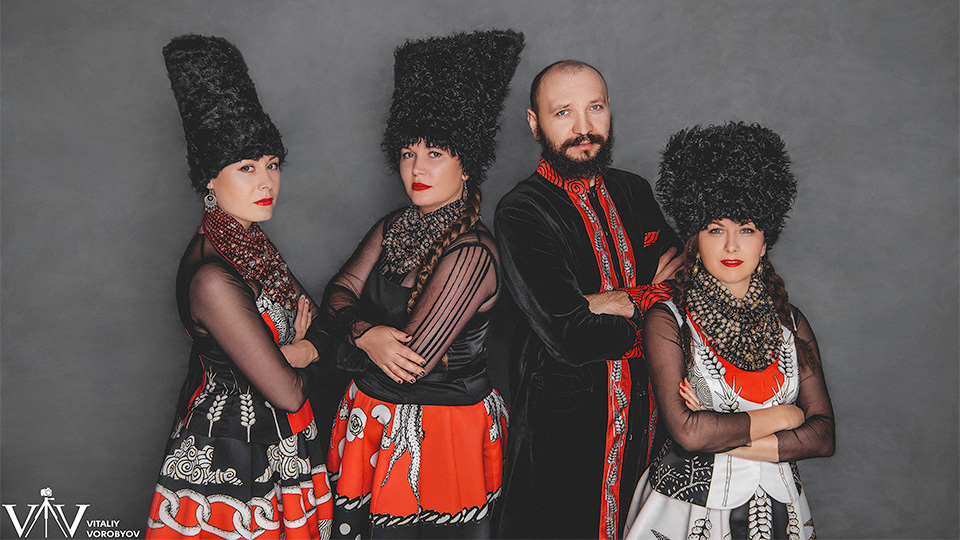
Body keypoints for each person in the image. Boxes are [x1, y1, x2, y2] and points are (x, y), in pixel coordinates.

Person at [321, 30, 524, 539]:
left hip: (440, 437)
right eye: (409, 152)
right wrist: (366, 333)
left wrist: (343, 334)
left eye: (436, 152)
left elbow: (408, 365)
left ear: (467, 162)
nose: (418, 167)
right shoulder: (394, 225)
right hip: (374, 423)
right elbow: (336, 292)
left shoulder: (474, 253)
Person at [147, 35, 332, 539]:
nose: (266, 182)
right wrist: (302, 352)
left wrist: (297, 350)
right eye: (247, 168)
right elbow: (289, 393)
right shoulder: (212, 276)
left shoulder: (250, 244)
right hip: (233, 454)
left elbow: (321, 320)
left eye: (272, 165)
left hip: (282, 447)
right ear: (210, 179)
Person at [495, 60, 685, 540]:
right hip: (564, 441)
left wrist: (614, 300)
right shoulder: (522, 211)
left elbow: (689, 289)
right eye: (564, 113)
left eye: (595, 107)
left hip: (652, 432)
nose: (584, 128)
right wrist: (650, 307)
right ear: (535, 124)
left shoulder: (634, 190)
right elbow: (571, 335)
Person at [622, 122, 835, 539]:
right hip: (687, 514)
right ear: (696, 238)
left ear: (765, 241)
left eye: (747, 230)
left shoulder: (791, 323)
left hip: (781, 514)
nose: (732, 246)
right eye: (716, 229)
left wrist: (715, 429)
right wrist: (785, 416)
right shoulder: (669, 319)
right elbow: (685, 431)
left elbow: (824, 436)